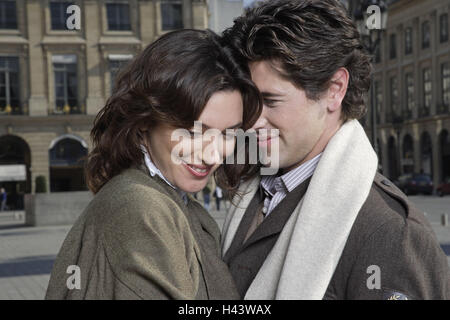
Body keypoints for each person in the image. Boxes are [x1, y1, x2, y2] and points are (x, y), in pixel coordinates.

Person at [221, 0, 450, 300]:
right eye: (248, 101)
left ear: (334, 89)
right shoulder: (255, 190)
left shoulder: (391, 233)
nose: (251, 121)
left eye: (272, 101)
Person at [45, 29, 262, 300]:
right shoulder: (142, 208)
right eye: (193, 132)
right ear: (146, 119)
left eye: (229, 134)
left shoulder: (176, 204)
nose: (213, 156)